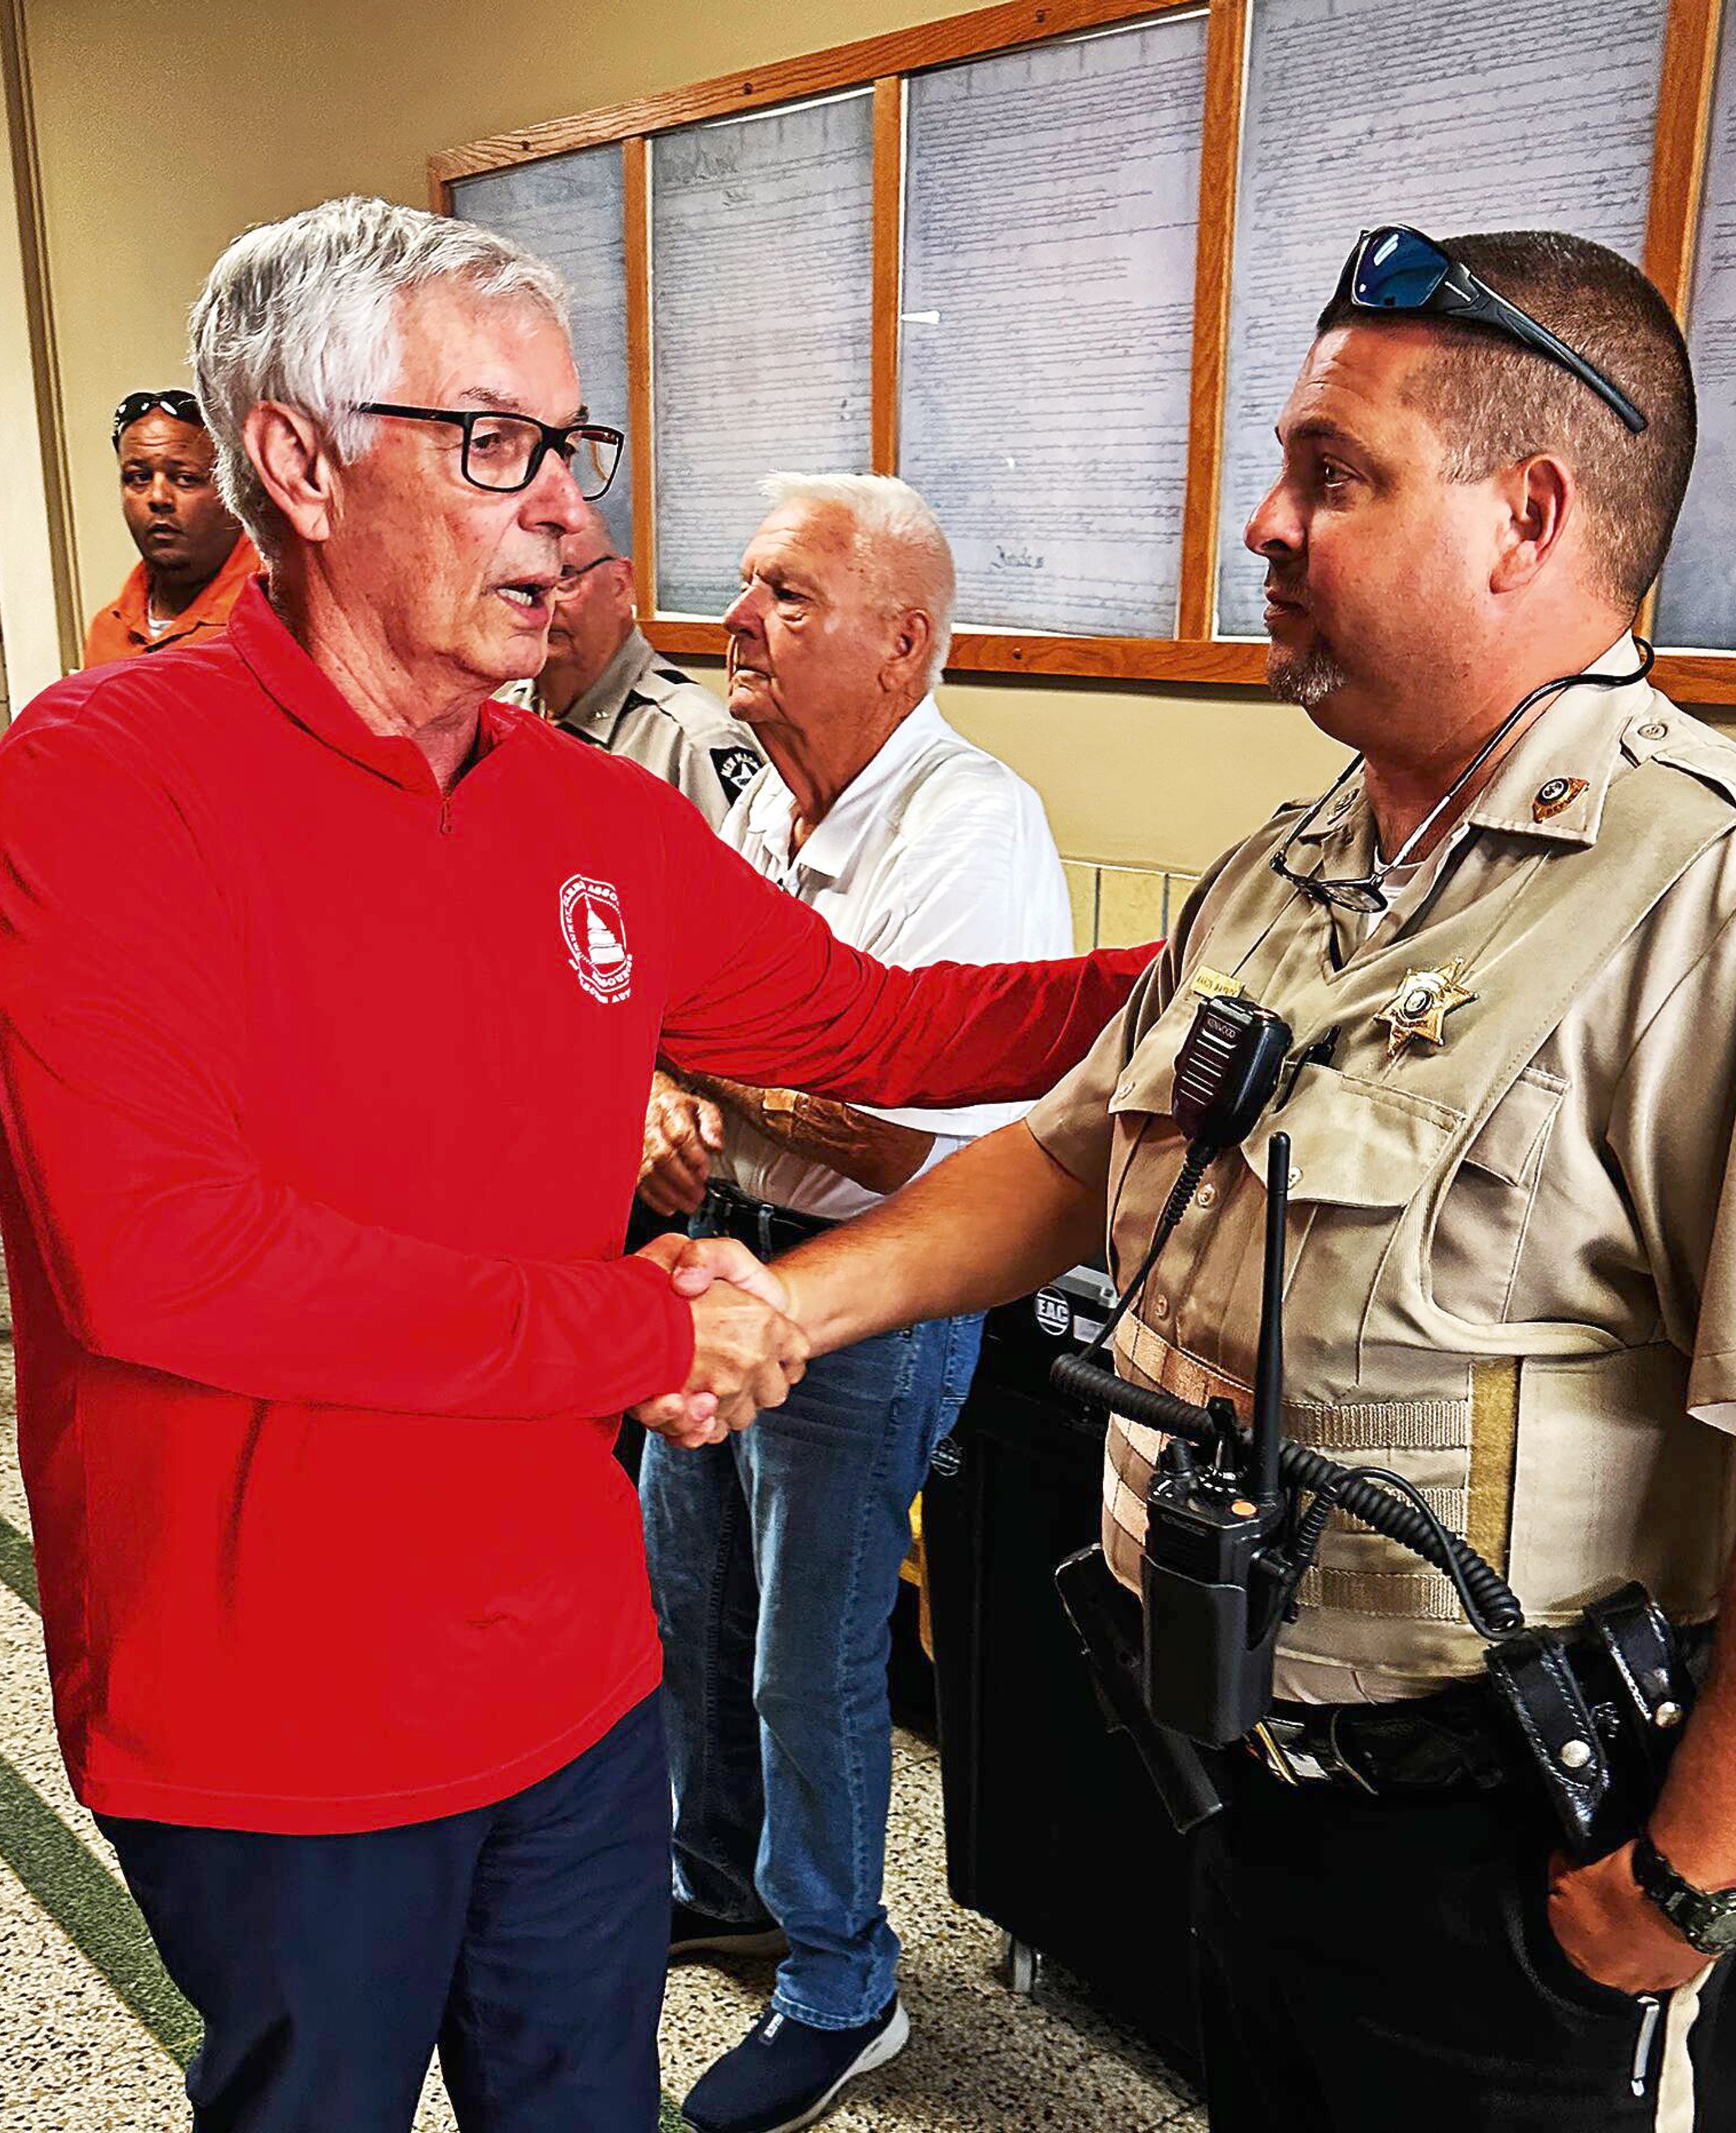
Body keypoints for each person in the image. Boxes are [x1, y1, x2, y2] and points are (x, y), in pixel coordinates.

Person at [640, 225, 1736, 2131]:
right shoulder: (1288, 867)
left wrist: (1683, 1882)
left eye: (1330, 474)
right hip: (1234, 1775)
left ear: (1526, 513)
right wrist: (797, 1297)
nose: (1262, 521)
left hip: (1505, 1852)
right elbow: (1071, 1150)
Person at [0, 194, 1149, 2133]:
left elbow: (885, 1028)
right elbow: (163, 1256)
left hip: (567, 1684)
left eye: (574, 453)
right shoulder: (105, 781)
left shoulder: (592, 815)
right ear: (298, 459)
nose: (574, 520)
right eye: (495, 446)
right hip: (272, 1709)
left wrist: (1222, 960)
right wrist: (630, 1325)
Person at [638, 474, 1073, 2133]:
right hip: (720, 1266)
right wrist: (670, 1081)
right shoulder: (760, 805)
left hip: (868, 1304)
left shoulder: (973, 825)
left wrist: (710, 1067)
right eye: (746, 589)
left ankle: (843, 1976)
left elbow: (907, 1124)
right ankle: (723, 1875)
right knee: (688, 1600)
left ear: (905, 643)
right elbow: (684, 1016)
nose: (737, 622)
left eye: (788, 598)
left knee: (805, 1654)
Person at [519, 512, 764, 827]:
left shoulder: (690, 742)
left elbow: (740, 875)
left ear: (621, 585)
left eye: (565, 577)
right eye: (526, 583)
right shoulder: (499, 716)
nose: (543, 602)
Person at [82, 388, 261, 668]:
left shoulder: (280, 610)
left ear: (234, 488)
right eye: (139, 478)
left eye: (185, 478)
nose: (158, 498)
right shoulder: (107, 632)